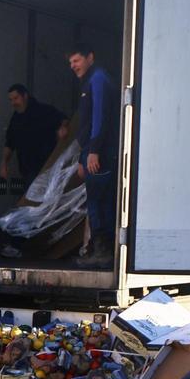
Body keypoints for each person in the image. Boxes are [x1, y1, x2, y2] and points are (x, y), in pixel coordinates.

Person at [68, 47, 119, 266]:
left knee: (99, 201)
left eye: (77, 60)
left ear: (91, 57)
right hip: (93, 151)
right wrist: (82, 157)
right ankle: (98, 250)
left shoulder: (98, 80)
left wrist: (94, 151)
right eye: (70, 62)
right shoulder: (91, 81)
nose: (73, 66)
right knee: (97, 201)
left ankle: (103, 253)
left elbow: (99, 118)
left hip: (101, 152)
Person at [0, 84, 67, 186]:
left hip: (47, 168)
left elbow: (63, 119)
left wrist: (63, 127)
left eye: (16, 98)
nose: (13, 103)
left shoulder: (42, 111)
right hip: (27, 171)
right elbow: (10, 142)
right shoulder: (16, 119)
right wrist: (4, 163)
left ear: (25, 96)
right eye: (11, 100)